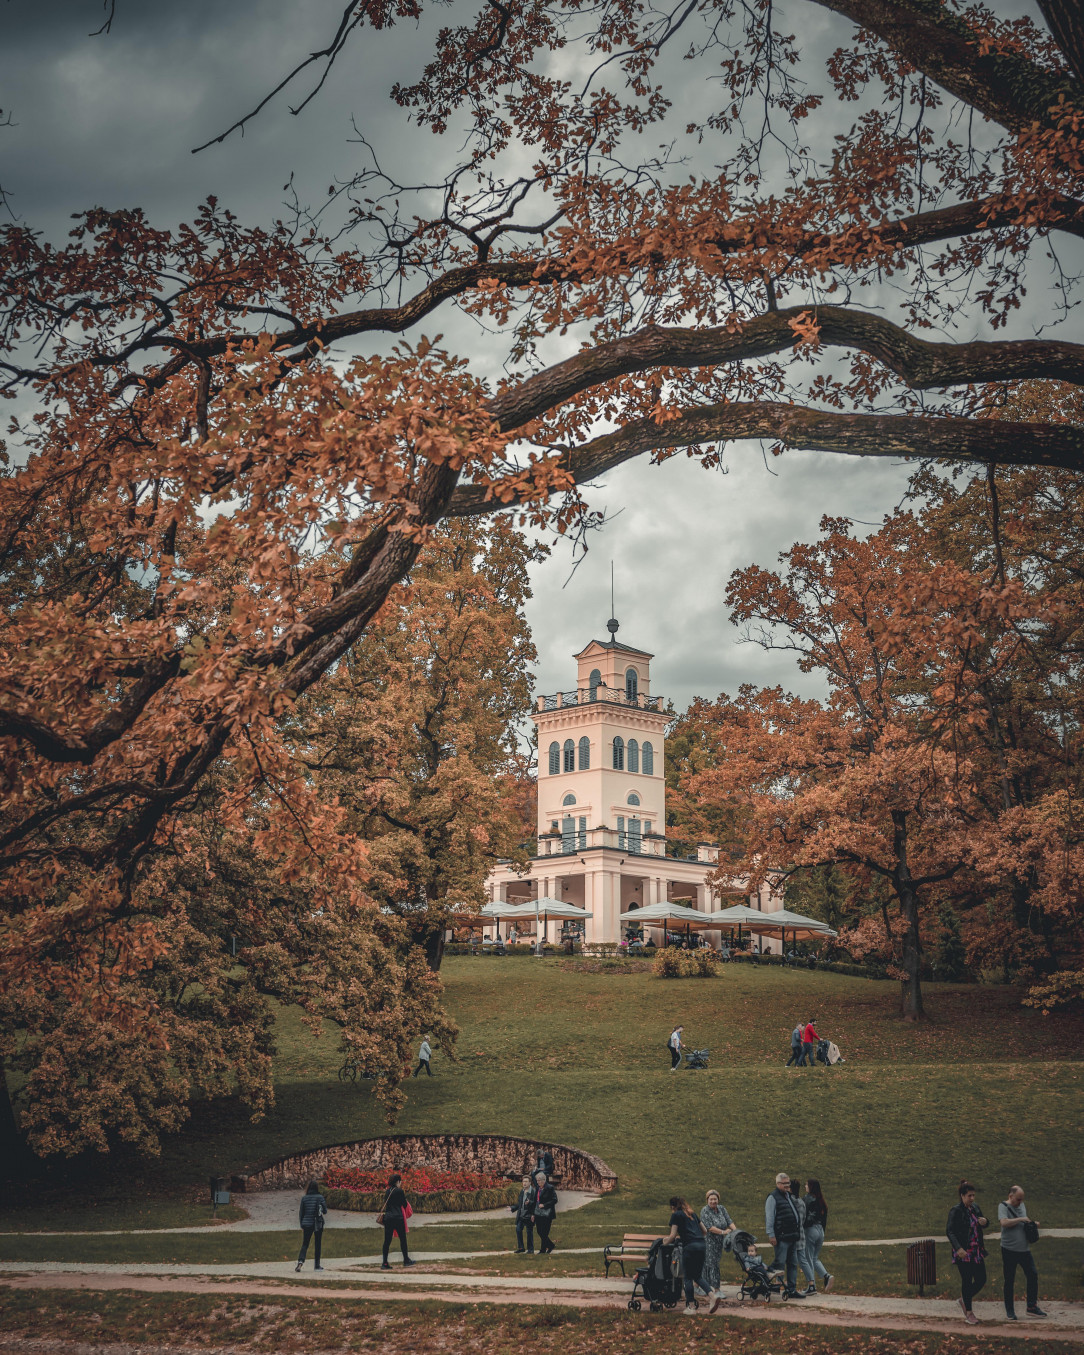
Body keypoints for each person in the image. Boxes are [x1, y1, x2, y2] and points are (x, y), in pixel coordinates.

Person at [999, 1184, 1046, 1319]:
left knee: (1032, 1275)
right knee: (1009, 1280)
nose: (1020, 1202)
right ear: (1010, 1196)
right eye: (1018, 1199)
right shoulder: (1003, 1206)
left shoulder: (1022, 1205)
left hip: (1024, 1250)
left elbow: (1024, 1222)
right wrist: (1021, 1219)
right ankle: (1010, 1311)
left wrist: (1032, 1223)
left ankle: (1031, 1307)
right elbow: (1004, 1223)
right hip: (1009, 1250)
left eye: (1022, 1199)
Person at [947, 1178, 988, 1324]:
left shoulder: (975, 1208)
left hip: (976, 1251)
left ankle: (964, 1299)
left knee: (981, 1279)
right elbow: (950, 1231)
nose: (972, 1198)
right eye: (969, 1195)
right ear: (962, 1196)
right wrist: (958, 1248)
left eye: (973, 1195)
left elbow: (982, 1222)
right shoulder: (956, 1211)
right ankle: (969, 1313)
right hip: (963, 1252)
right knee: (967, 1280)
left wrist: (985, 1222)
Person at [765, 1171, 805, 1299]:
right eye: (785, 1183)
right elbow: (770, 1218)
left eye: (788, 1183)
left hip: (792, 1236)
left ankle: (792, 1289)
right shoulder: (772, 1197)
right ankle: (766, 1284)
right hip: (781, 1237)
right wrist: (771, 1235)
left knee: (793, 1263)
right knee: (779, 1264)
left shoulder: (788, 1195)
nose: (787, 1186)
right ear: (778, 1183)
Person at [666, 1196, 707, 1314]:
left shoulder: (676, 1215)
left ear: (672, 1207)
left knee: (688, 1277)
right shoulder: (692, 1214)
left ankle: (691, 1306)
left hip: (690, 1247)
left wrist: (664, 1242)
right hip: (701, 1245)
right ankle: (712, 1295)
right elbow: (705, 1231)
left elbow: (672, 1236)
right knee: (697, 1276)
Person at [700, 1188, 737, 1308]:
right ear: (707, 1200)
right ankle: (716, 1289)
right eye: (711, 1199)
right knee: (712, 1264)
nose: (713, 1201)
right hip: (709, 1241)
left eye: (715, 1199)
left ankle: (699, 1286)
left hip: (719, 1242)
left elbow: (729, 1221)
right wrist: (723, 1232)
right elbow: (709, 1227)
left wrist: (735, 1231)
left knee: (708, 1263)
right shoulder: (705, 1211)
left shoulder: (721, 1208)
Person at [378, 1171, 416, 1270]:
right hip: (398, 1217)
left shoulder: (387, 1191)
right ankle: (406, 1260)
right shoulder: (399, 1191)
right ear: (397, 1181)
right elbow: (404, 1203)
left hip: (388, 1217)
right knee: (403, 1239)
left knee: (387, 1241)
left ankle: (384, 1262)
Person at [803, 1178, 834, 1292]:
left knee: (808, 1259)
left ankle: (812, 1286)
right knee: (814, 1258)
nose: (805, 1186)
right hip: (820, 1230)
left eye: (806, 1184)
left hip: (811, 1230)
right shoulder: (821, 1201)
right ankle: (826, 1276)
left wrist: (803, 1227)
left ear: (811, 1187)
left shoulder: (808, 1199)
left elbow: (806, 1216)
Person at [295, 1180, 327, 1272]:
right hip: (317, 1223)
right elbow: (325, 1211)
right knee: (318, 1244)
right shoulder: (320, 1197)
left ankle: (300, 1262)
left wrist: (302, 1224)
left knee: (305, 1244)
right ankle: (317, 1265)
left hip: (307, 1223)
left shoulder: (304, 1198)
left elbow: (301, 1213)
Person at [533, 1173, 558, 1253]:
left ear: (544, 1180)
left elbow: (555, 1200)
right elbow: (535, 1200)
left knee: (544, 1232)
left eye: (539, 1181)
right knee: (539, 1231)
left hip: (547, 1213)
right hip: (538, 1212)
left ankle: (543, 1250)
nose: (537, 1182)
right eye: (537, 1181)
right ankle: (551, 1245)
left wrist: (544, 1205)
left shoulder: (550, 1188)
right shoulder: (537, 1188)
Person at [511, 1174, 535, 1254]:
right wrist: (512, 1208)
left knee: (529, 1232)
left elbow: (536, 1204)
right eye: (523, 1181)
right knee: (518, 1230)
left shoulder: (533, 1192)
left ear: (530, 1183)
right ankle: (521, 1247)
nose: (524, 1183)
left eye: (526, 1181)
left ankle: (530, 1249)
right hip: (521, 1215)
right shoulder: (522, 1191)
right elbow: (520, 1203)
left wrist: (533, 1214)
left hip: (529, 1215)